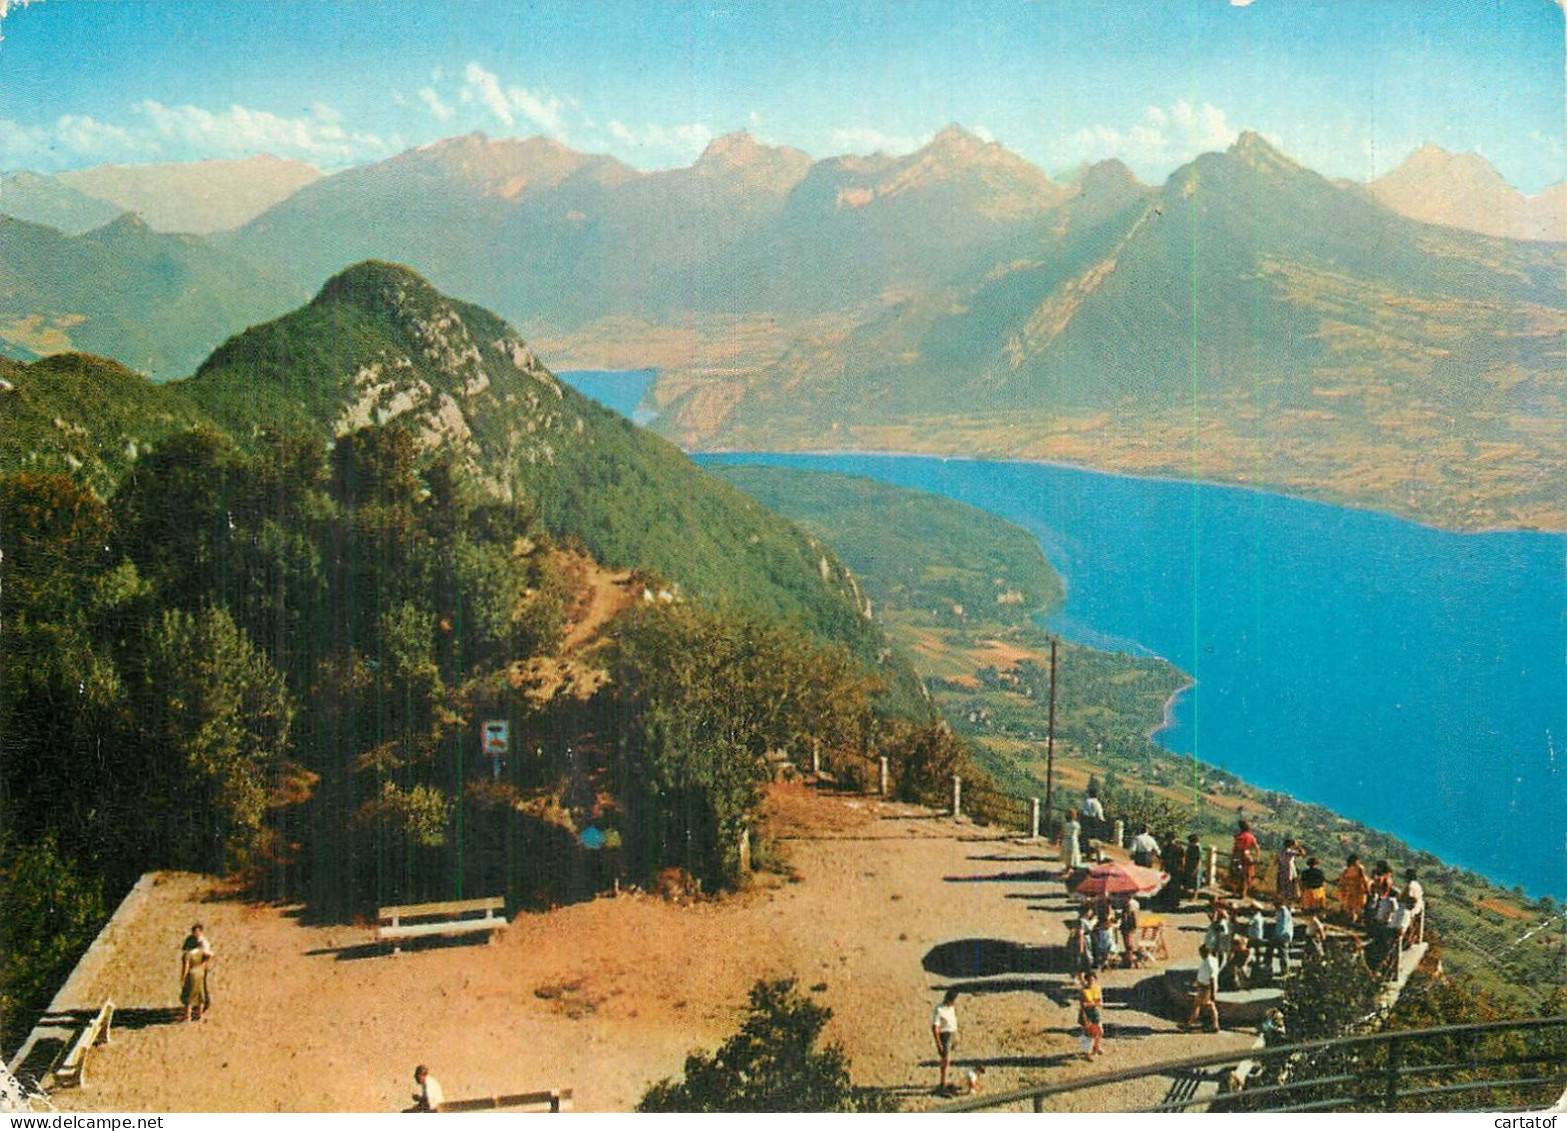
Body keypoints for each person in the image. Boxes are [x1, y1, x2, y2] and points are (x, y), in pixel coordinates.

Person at [1184, 945, 1222, 1033]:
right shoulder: (1212, 960)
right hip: (1205, 986)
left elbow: (1211, 978)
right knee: (1209, 1006)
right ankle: (1214, 1025)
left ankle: (1190, 1024)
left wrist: (1212, 994)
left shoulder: (1208, 963)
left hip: (1206, 988)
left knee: (1199, 1005)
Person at [180, 923, 214, 1013]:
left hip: (199, 967)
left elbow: (208, 955)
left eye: (197, 932)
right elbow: (185, 948)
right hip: (197, 967)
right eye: (195, 932)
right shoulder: (190, 939)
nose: (196, 933)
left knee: (201, 988)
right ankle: (199, 1007)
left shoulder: (203, 942)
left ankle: (204, 1004)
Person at [932, 989, 959, 1094]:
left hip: (952, 1033)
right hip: (945, 1035)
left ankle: (945, 1080)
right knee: (945, 1060)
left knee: (948, 1059)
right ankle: (943, 1082)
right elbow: (935, 1027)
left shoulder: (951, 1008)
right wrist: (938, 1043)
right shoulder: (939, 1010)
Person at [1263, 900, 1295, 978]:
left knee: (1282, 952)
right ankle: (1271, 967)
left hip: (1284, 935)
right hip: (1280, 934)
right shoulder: (1279, 911)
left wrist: (1278, 935)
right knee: (1273, 949)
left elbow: (1283, 925)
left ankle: (1284, 970)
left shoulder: (1284, 911)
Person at [1335, 854, 1370, 924]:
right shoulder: (1347, 869)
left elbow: (1363, 879)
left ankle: (1354, 920)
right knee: (1348, 906)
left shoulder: (1360, 868)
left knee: (1354, 906)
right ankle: (1351, 919)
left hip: (1357, 889)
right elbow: (1342, 877)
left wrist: (1367, 889)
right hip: (1349, 889)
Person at [1078, 971, 1105, 1058]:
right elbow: (1083, 1005)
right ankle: (1087, 1053)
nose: (1091, 981)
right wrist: (1094, 1003)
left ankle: (1096, 1047)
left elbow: (1100, 1002)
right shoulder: (1083, 990)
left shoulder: (1097, 988)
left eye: (1092, 979)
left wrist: (1091, 1003)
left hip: (1095, 1012)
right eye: (1089, 980)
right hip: (1086, 1013)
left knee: (1100, 1031)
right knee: (1088, 1033)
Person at [1231, 820, 1260, 898]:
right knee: (1246, 875)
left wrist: (1233, 857)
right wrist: (1257, 857)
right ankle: (1243, 892)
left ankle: (1237, 892)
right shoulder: (1251, 837)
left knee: (1238, 875)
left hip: (1238, 857)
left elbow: (1235, 848)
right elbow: (1257, 847)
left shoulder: (1239, 837)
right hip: (1247, 857)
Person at [1274, 837, 1307, 905]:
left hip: (1281, 870)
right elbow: (1303, 854)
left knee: (1282, 887)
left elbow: (1276, 861)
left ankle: (1282, 902)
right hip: (1289, 870)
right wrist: (1298, 846)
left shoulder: (1280, 852)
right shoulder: (1290, 852)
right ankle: (1287, 903)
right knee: (1290, 886)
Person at [1401, 869, 1425, 942]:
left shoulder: (1410, 885)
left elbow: (1410, 896)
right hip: (1418, 906)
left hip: (1412, 907)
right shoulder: (1417, 885)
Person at [1120, 898, 1141, 968]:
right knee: (1129, 945)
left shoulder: (1130, 905)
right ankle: (1129, 960)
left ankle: (1130, 961)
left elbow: (1128, 917)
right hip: (1129, 927)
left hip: (1128, 927)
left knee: (1129, 945)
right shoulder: (1134, 903)